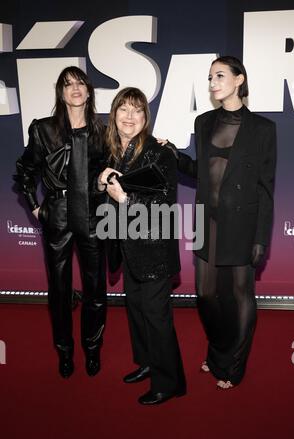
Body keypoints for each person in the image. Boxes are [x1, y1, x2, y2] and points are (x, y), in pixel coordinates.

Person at [172, 56, 277, 389]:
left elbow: (265, 187)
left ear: (239, 80)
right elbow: (202, 171)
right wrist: (174, 154)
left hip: (242, 223)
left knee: (241, 294)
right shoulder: (203, 122)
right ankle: (218, 350)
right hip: (208, 220)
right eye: (210, 77)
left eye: (220, 75)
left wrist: (261, 236)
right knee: (205, 295)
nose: (213, 82)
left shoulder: (262, 128)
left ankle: (233, 365)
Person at [14, 66, 107, 378]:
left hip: (93, 214)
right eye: (68, 85)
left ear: (89, 90)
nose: (75, 89)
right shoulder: (43, 129)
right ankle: (65, 352)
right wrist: (34, 206)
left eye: (80, 83)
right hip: (58, 213)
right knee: (59, 289)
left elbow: (119, 167)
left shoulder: (102, 132)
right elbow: (25, 170)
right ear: (61, 93)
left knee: (95, 289)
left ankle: (92, 350)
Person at [98, 87, 186, 405]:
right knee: (136, 310)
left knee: (156, 314)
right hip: (128, 248)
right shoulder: (112, 152)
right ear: (114, 114)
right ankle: (148, 363)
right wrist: (100, 183)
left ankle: (171, 382)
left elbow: (164, 202)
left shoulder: (157, 152)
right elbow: (102, 194)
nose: (130, 116)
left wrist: (122, 198)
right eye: (124, 109)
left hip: (154, 248)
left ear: (145, 118)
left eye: (137, 110)